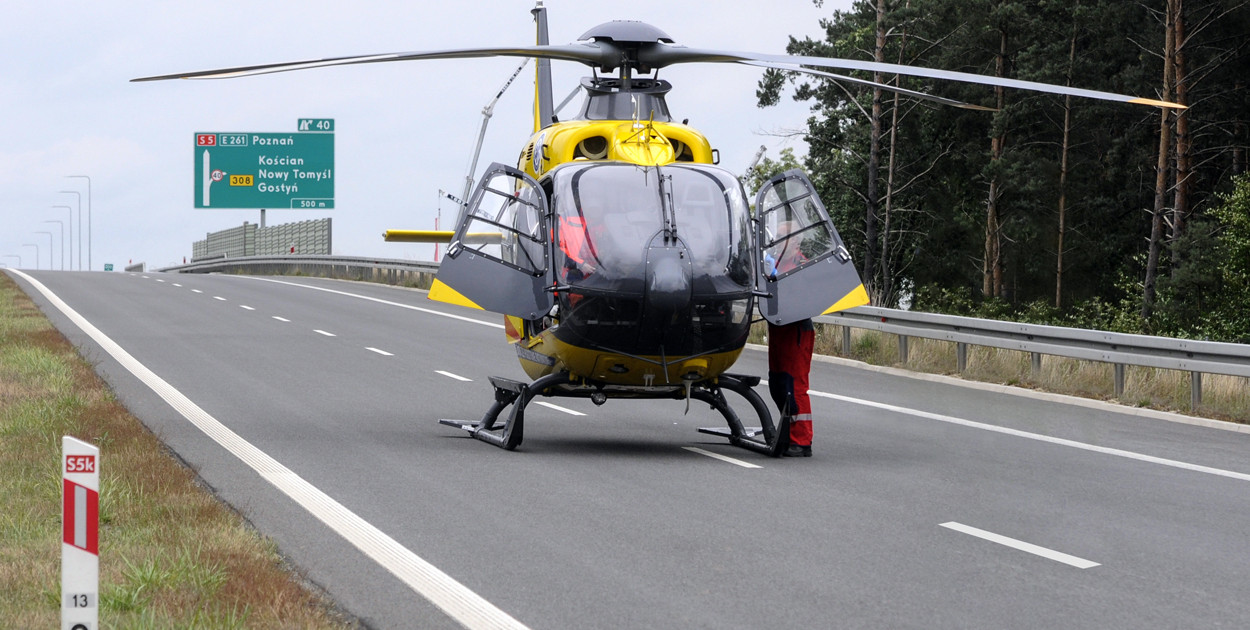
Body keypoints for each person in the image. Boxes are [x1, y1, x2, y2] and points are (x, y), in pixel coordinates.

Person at [766, 221, 815, 458]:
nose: (776, 241)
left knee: (795, 385)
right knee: (777, 382)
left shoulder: (802, 264)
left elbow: (805, 296)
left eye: (781, 237)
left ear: (794, 241)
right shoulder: (774, 262)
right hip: (778, 328)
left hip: (795, 330)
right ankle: (787, 430)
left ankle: (802, 440)